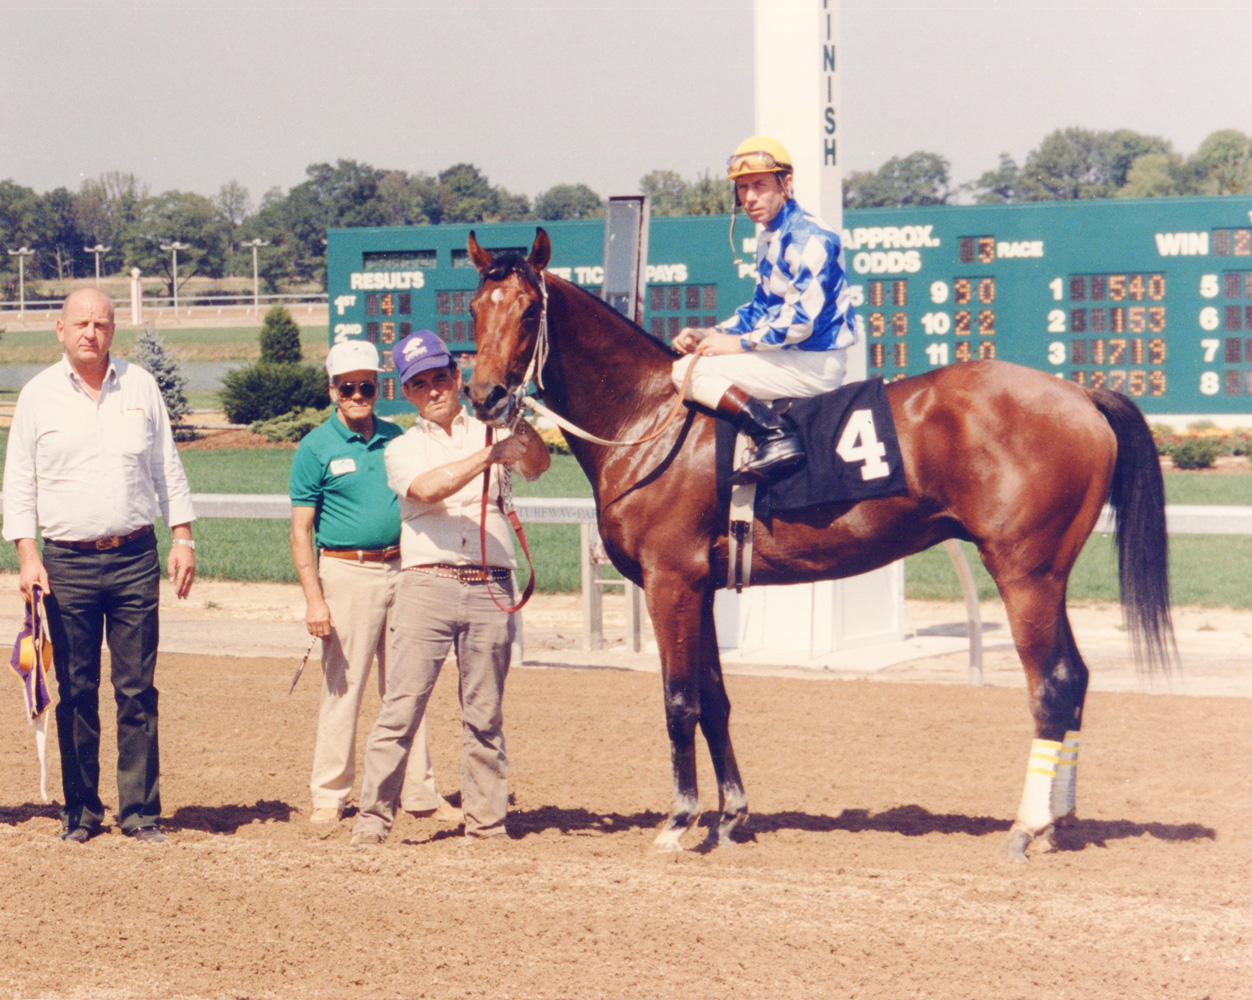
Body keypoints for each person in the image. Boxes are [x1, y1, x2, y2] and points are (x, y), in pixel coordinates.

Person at [1, 288, 196, 845]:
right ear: (59, 330)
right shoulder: (38, 396)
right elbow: (18, 483)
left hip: (135, 558)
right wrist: (27, 555)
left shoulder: (140, 386)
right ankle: (81, 812)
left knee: (137, 691)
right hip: (65, 565)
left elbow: (167, 468)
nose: (91, 332)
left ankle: (140, 812)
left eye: (102, 323)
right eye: (81, 323)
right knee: (77, 689)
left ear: (114, 330)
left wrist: (182, 537)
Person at [350, 330, 549, 847]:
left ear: (458, 379)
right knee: (401, 708)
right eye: (420, 383)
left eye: (441, 377)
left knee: (485, 715)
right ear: (407, 392)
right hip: (426, 585)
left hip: (490, 587)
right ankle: (372, 820)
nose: (434, 389)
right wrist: (490, 456)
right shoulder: (402, 448)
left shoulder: (492, 427)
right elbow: (427, 489)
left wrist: (521, 433)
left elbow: (537, 466)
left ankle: (486, 823)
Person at [289, 339, 453, 826]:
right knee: (345, 686)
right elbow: (301, 530)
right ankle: (330, 793)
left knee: (408, 686)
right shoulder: (315, 448)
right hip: (345, 573)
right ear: (333, 390)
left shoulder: (397, 438)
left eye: (366, 385)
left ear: (378, 387)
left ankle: (419, 793)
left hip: (404, 570)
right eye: (347, 387)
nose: (358, 394)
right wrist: (314, 599)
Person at [671, 135, 860, 484]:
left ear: (785, 184)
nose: (749, 197)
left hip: (814, 362)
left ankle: (776, 437)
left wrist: (738, 345)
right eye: (742, 188)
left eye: (759, 185)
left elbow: (800, 323)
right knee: (699, 358)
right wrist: (713, 333)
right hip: (793, 356)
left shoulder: (810, 238)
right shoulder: (771, 236)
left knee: (688, 373)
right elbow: (762, 307)